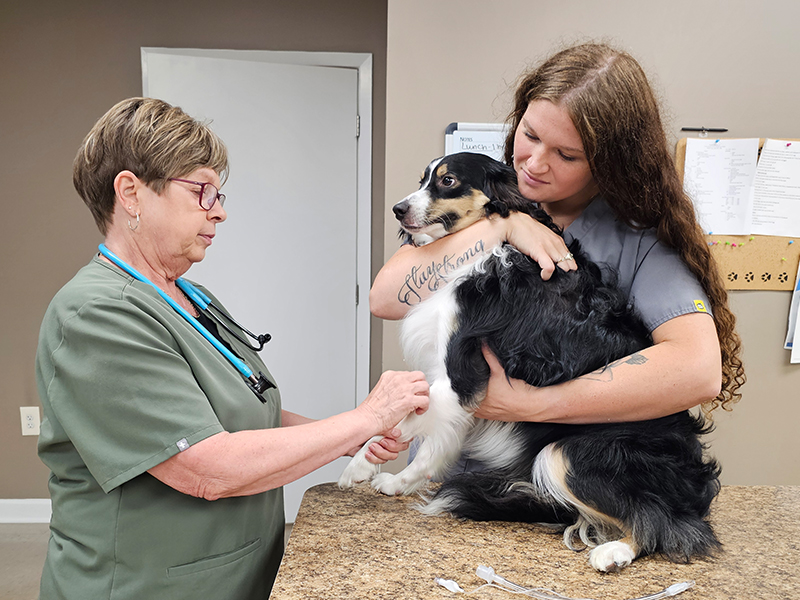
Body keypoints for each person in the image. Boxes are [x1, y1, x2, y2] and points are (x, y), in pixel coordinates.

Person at [35, 97, 429, 600]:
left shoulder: (190, 297)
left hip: (238, 569)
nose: (219, 212)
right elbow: (206, 467)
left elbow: (244, 411)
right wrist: (367, 417)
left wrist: (348, 437)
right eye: (202, 191)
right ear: (130, 193)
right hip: (147, 584)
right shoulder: (96, 315)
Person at [370, 42, 744, 428]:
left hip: (537, 470)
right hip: (446, 461)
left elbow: (698, 370)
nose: (533, 164)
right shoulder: (484, 198)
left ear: (609, 165)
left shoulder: (639, 243)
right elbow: (384, 299)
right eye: (529, 135)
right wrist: (506, 226)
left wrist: (534, 404)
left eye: (566, 155)